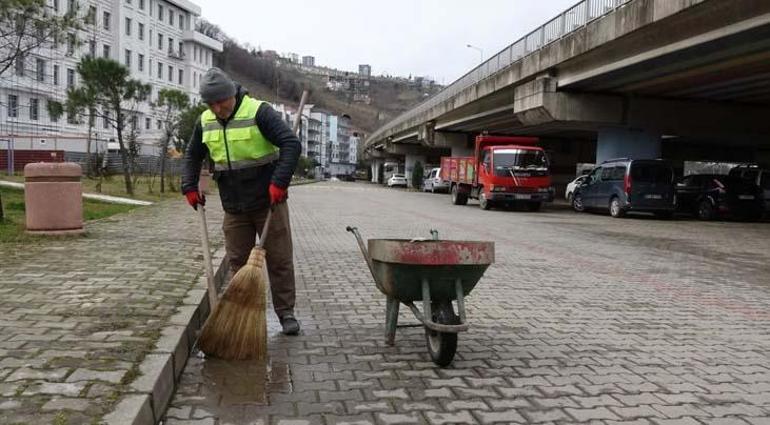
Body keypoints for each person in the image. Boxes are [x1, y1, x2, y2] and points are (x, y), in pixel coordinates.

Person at [182, 67, 302, 335]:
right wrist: (188, 186)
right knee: (238, 262)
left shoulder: (258, 111)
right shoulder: (205, 120)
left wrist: (279, 182)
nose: (216, 108)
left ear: (231, 94)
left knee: (280, 260)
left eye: (220, 102)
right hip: (233, 206)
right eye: (210, 104)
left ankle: (286, 313)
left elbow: (291, 144)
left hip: (268, 201)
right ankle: (245, 317)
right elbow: (192, 155)